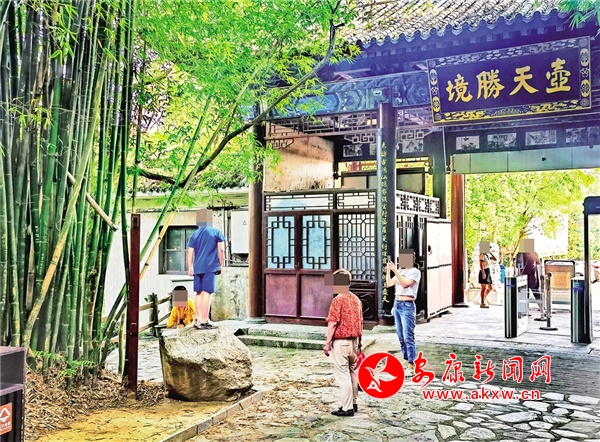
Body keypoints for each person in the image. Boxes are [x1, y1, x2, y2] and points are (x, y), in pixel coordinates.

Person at [323, 269, 363, 417]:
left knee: (343, 375)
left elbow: (333, 323)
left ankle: (347, 408)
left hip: (341, 342)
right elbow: (360, 322)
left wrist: (327, 343)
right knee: (353, 372)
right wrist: (359, 343)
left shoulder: (338, 300)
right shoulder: (356, 300)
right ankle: (354, 403)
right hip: (354, 342)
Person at [187, 209, 225, 329]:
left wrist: (190, 267)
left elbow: (190, 252)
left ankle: (198, 319)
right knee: (207, 292)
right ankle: (204, 320)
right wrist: (220, 265)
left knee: (198, 292)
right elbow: (221, 250)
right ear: (209, 219)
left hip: (197, 267)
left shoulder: (194, 234)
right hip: (210, 266)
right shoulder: (216, 232)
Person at [387, 251, 421, 377]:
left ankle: (411, 364)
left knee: (408, 336)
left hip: (407, 305)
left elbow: (406, 284)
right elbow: (389, 284)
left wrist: (395, 271)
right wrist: (388, 271)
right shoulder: (400, 271)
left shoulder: (415, 271)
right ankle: (406, 360)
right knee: (401, 336)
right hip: (397, 304)